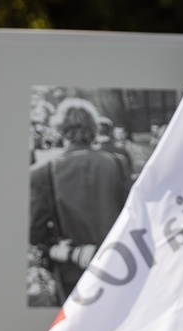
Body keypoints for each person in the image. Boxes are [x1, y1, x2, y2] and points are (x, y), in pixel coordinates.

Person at [30, 97, 132, 304]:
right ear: (93, 128)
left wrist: (59, 249)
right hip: (115, 264)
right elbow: (131, 214)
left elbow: (34, 231)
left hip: (71, 267)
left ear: (60, 128)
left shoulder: (43, 172)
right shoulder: (117, 163)